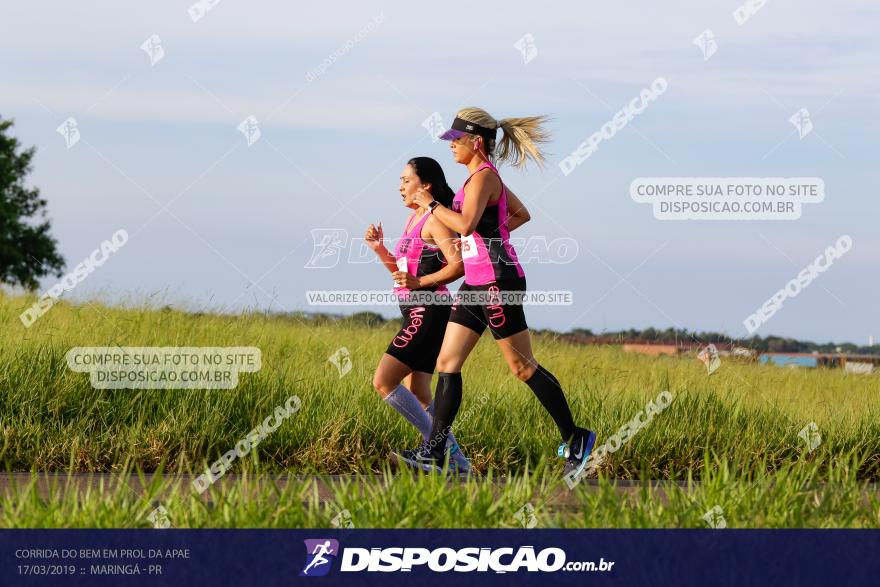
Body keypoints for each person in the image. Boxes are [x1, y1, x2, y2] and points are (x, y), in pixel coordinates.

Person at [392, 108, 597, 478]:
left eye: (456, 140)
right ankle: (435, 452)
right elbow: (519, 214)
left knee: (522, 367)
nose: (452, 146)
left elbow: (466, 225)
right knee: (447, 363)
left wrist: (432, 204)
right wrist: (492, 235)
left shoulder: (484, 177)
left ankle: (576, 438)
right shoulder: (478, 180)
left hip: (498, 282)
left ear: (476, 142)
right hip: (476, 281)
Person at [365, 156, 470, 473]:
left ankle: (437, 450)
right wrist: (379, 249)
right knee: (419, 390)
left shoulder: (435, 221)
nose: (400, 186)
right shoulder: (413, 221)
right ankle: (458, 461)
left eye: (406, 180)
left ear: (425, 185)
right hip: (416, 310)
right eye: (399, 181)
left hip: (429, 311)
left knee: (384, 381)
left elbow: (458, 265)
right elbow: (402, 275)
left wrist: (420, 282)